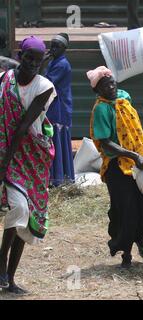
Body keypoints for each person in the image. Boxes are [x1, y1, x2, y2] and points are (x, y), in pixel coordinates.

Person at [0, 36, 57, 295]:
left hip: (30, 155)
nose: (32, 63)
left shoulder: (44, 87)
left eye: (37, 59)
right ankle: (1, 268)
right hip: (6, 150)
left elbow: (24, 127)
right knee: (20, 209)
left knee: (26, 217)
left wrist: (5, 163)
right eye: (28, 58)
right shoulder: (5, 81)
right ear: (20, 56)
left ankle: (9, 278)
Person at [88, 66, 143, 268]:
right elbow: (105, 142)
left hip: (138, 163)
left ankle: (139, 236)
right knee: (127, 211)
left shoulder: (124, 100)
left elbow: (135, 128)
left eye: (112, 82)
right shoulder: (101, 109)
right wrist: (132, 155)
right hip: (117, 167)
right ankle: (125, 253)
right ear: (97, 90)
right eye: (104, 85)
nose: (110, 87)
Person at [44, 33, 75, 186]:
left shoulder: (62, 64)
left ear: (64, 48)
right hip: (56, 106)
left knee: (57, 140)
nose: (53, 49)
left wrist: (41, 63)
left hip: (59, 108)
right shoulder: (55, 61)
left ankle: (58, 179)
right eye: (52, 45)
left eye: (57, 46)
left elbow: (47, 83)